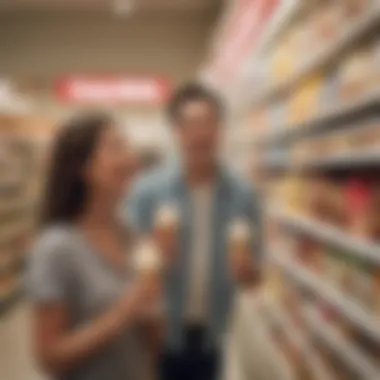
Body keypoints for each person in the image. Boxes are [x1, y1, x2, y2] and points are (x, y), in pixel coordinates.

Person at [128, 83, 261, 380]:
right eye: (191, 124)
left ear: (221, 129)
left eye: (209, 123)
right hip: (154, 332)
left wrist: (247, 271)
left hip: (211, 334)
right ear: (176, 131)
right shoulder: (147, 191)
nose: (201, 134)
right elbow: (120, 266)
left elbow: (255, 279)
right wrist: (150, 255)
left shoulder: (243, 195)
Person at [27, 113, 160, 380]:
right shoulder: (56, 248)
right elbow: (49, 357)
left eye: (128, 147)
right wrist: (126, 310)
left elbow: (149, 345)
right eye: (116, 147)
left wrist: (154, 315)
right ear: (83, 167)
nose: (131, 160)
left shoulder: (131, 236)